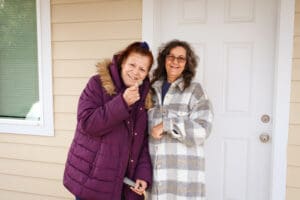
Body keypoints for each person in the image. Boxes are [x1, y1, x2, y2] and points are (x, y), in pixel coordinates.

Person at [63, 41, 154, 200]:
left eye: (142, 69)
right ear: (122, 62)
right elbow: (87, 123)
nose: (135, 72)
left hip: (124, 186)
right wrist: (122, 103)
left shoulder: (144, 98)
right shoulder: (97, 84)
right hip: (92, 183)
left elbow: (142, 141)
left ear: (146, 73)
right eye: (132, 65)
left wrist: (142, 174)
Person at [148, 40, 213, 199]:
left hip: (183, 173)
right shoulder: (151, 89)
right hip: (154, 171)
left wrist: (167, 125)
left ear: (187, 63)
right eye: (170, 56)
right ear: (164, 59)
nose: (175, 61)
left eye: (181, 58)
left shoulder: (195, 91)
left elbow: (202, 130)